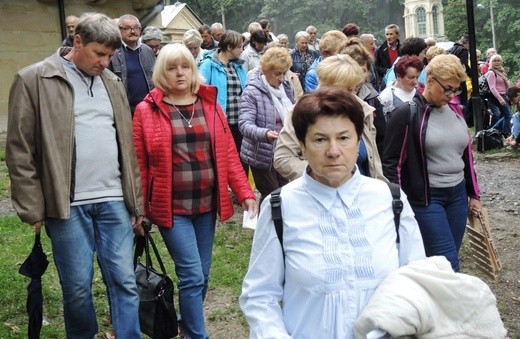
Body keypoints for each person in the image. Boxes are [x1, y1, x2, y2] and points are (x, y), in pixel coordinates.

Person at [240, 87, 426, 338]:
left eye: (344, 138)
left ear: (359, 141)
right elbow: (260, 296)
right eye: (319, 139)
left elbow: (416, 279)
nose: (333, 151)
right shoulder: (281, 207)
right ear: (302, 146)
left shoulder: (389, 199)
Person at [6, 13, 144, 338]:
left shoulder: (112, 82)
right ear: (77, 42)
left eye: (111, 55)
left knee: (124, 280)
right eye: (99, 53)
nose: (105, 62)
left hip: (114, 200)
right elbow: (19, 150)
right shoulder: (33, 80)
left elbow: (127, 146)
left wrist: (136, 202)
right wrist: (32, 206)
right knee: (78, 288)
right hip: (67, 206)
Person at [133, 43, 258, 339]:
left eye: (185, 66)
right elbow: (138, 164)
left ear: (193, 69)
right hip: (170, 206)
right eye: (172, 67)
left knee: (202, 276)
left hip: (205, 205)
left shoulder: (209, 104)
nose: (180, 73)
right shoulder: (146, 109)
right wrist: (137, 208)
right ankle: (196, 334)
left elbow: (228, 152)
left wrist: (245, 192)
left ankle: (185, 320)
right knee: (191, 276)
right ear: (161, 72)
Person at [382, 54, 481, 272]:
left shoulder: (456, 110)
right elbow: (392, 163)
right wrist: (399, 203)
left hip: (457, 196)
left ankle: (433, 302)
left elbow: (466, 157)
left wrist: (474, 194)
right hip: (426, 199)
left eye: (456, 90)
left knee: (447, 257)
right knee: (447, 264)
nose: (452, 95)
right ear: (431, 80)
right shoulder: (407, 113)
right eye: (447, 89)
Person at [274, 54, 385, 182]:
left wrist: (383, 187)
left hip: (363, 194)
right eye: (346, 89)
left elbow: (373, 160)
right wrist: (322, 175)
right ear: (327, 86)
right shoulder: (303, 111)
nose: (352, 95)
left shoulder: (362, 109)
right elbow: (283, 158)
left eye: (354, 89)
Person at [239, 47, 295, 203]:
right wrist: (265, 134)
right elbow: (244, 124)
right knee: (272, 198)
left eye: (284, 73)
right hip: (262, 155)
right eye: (277, 74)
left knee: (284, 196)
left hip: (284, 150)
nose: (282, 78)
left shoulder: (286, 88)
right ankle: (264, 226)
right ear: (264, 71)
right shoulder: (252, 91)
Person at [199, 30, 248, 176]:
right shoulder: (209, 65)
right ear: (229, 47)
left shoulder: (238, 66)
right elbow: (200, 91)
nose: (241, 50)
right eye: (239, 46)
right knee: (221, 156)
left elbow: (245, 89)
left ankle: (242, 190)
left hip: (239, 120)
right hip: (219, 120)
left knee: (242, 156)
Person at [109, 14, 155, 114]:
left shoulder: (147, 50)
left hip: (148, 107)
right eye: (127, 28)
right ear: (119, 30)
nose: (133, 31)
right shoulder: (113, 52)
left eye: (136, 28)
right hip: (124, 109)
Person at [486, 54, 513, 136]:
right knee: (508, 115)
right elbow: (492, 88)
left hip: (505, 95)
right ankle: (504, 133)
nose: (497, 62)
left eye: (498, 60)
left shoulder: (501, 71)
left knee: (505, 115)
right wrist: (500, 99)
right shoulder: (491, 73)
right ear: (491, 62)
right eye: (494, 61)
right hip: (498, 96)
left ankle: (494, 132)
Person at [375, 24, 401, 89]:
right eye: (387, 34)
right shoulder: (380, 50)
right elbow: (375, 67)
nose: (388, 37)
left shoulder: (403, 49)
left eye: (391, 34)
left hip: (400, 82)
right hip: (385, 83)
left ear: (397, 35)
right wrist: (388, 71)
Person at [448, 35, 471, 107]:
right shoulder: (463, 50)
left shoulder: (451, 49)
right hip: (460, 77)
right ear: (467, 43)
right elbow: (463, 64)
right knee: (463, 100)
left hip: (452, 77)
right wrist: (470, 74)